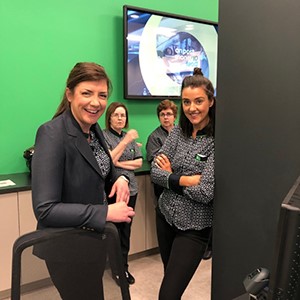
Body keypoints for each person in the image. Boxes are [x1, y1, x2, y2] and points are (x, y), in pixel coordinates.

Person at [31, 62, 135, 300]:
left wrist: (118, 178)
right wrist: (105, 213)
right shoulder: (51, 134)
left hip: (93, 244)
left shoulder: (93, 128)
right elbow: (46, 210)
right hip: (67, 250)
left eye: (102, 95)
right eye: (86, 93)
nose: (95, 102)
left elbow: (103, 168)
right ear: (69, 94)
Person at [150, 67, 215, 299]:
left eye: (198, 101)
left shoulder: (217, 139)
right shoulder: (178, 132)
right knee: (171, 282)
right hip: (165, 216)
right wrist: (186, 180)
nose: (192, 108)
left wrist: (170, 176)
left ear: (211, 101)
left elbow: (206, 192)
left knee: (167, 294)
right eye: (186, 102)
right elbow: (155, 173)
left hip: (194, 228)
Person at [102, 102, 143, 285]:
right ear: (109, 117)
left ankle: (123, 267)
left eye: (123, 115)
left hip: (131, 190)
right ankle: (115, 269)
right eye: (116, 115)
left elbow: (139, 162)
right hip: (112, 191)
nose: (120, 118)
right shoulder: (103, 136)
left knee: (126, 231)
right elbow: (108, 160)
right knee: (113, 232)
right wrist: (124, 146)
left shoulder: (130, 137)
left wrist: (119, 164)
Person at [146, 99, 178, 201]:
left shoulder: (182, 134)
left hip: (180, 179)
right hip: (162, 182)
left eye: (169, 114)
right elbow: (156, 161)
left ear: (174, 117)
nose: (165, 117)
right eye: (162, 114)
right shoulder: (154, 137)